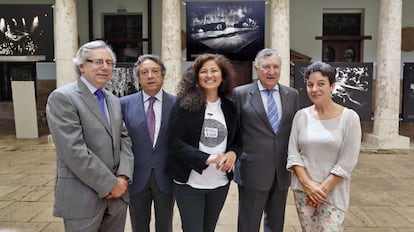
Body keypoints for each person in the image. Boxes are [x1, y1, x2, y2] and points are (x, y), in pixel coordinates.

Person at [46, 40, 134, 232]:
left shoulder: (113, 99)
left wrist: (123, 176)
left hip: (117, 199)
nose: (105, 67)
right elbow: (73, 151)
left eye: (109, 63)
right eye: (98, 61)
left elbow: (124, 140)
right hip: (82, 198)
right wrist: (111, 184)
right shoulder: (63, 98)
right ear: (81, 66)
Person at [167, 53, 242, 232]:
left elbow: (238, 140)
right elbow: (174, 142)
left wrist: (233, 153)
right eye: (204, 71)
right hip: (190, 183)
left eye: (214, 71)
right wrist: (206, 158)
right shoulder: (184, 105)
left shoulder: (230, 106)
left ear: (222, 76)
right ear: (196, 76)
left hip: (219, 183)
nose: (209, 76)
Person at [287, 61, 361, 232]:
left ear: (332, 86)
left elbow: (347, 161)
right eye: (310, 84)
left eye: (321, 84)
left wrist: (321, 189)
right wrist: (308, 186)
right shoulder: (301, 116)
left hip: (333, 193)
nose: (315, 89)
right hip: (304, 192)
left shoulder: (349, 118)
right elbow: (293, 154)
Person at [233, 48, 299, 232]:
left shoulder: (291, 95)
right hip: (252, 171)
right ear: (256, 69)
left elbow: (294, 132)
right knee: (249, 224)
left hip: (281, 172)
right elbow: (234, 132)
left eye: (276, 67)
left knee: (276, 224)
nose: (271, 71)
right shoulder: (240, 94)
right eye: (266, 67)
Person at [120, 54, 176, 232]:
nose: (150, 76)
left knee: (165, 226)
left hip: (166, 177)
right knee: (139, 225)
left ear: (163, 75)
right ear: (138, 77)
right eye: (144, 72)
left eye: (155, 71)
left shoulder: (177, 104)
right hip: (136, 177)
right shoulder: (124, 104)